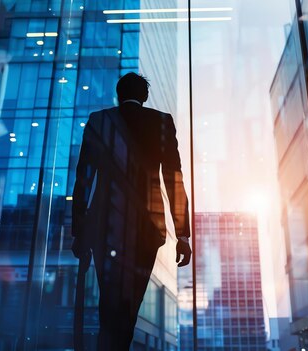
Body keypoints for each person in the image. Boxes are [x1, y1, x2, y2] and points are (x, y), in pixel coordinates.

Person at [72, 73, 191, 350]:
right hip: (146, 231)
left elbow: (83, 178)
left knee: (109, 306)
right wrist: (182, 235)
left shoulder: (99, 121)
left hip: (105, 227)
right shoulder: (161, 122)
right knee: (129, 307)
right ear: (145, 97)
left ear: (117, 94)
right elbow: (174, 179)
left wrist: (80, 231)